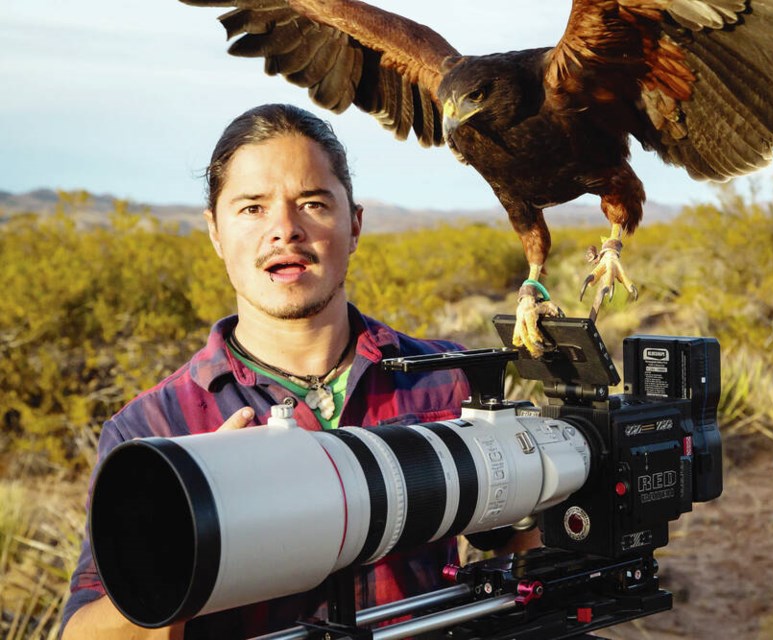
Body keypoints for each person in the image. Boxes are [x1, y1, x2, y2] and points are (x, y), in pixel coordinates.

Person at [60, 103, 475, 639]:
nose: (285, 229)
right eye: (252, 208)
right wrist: (192, 520)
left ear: (354, 224)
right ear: (215, 232)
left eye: (312, 203)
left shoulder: (444, 378)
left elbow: (525, 552)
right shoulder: (154, 428)